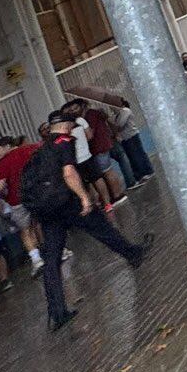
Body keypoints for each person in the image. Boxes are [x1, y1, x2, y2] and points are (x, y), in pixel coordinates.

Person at [21, 116, 151, 332]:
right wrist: (83, 197)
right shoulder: (64, 143)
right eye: (72, 126)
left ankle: (57, 311)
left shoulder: (41, 150)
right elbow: (69, 173)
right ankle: (133, 254)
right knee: (102, 229)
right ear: (66, 126)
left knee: (51, 258)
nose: (73, 131)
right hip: (67, 202)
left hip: (47, 209)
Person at [69, 83, 154, 184]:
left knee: (134, 156)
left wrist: (109, 120)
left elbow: (118, 124)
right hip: (116, 140)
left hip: (121, 139)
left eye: (75, 108)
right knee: (128, 157)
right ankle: (136, 176)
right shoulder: (105, 113)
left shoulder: (123, 111)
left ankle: (143, 173)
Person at [0, 135, 46, 272]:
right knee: (42, 223)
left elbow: (1, 186)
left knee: (25, 230)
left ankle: (36, 259)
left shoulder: (3, 164)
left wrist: (5, 195)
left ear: (8, 146)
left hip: (17, 200)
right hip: (37, 194)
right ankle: (56, 250)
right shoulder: (30, 149)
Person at [63, 101, 127, 207]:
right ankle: (114, 195)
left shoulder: (89, 115)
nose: (73, 111)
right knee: (106, 172)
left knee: (107, 171)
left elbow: (90, 134)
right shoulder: (87, 116)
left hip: (99, 147)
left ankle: (117, 195)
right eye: (71, 110)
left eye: (75, 108)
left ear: (82, 106)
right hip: (100, 146)